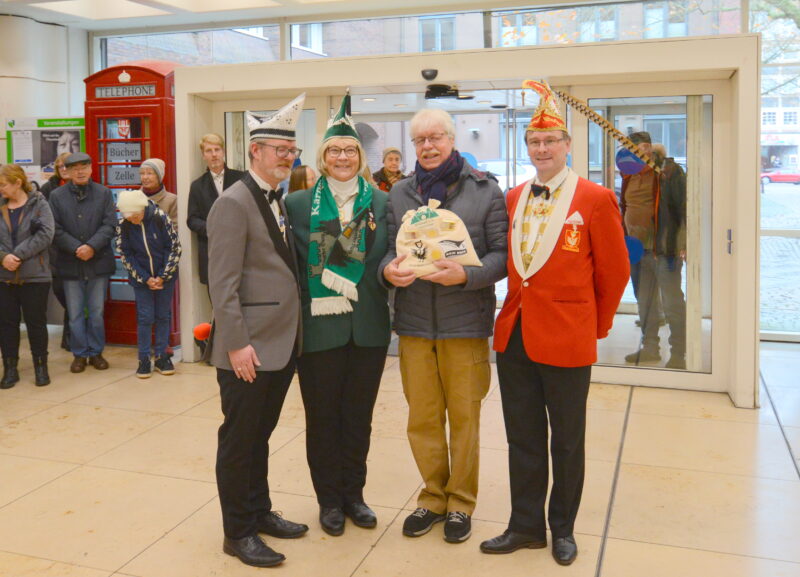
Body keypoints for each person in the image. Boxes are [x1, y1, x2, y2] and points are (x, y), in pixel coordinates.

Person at [480, 80, 629, 566]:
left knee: (566, 440)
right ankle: (525, 526)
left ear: (567, 145)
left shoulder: (595, 198)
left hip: (568, 336)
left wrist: (594, 327)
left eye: (549, 141)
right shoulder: (514, 196)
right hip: (515, 335)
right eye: (534, 142)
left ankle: (562, 528)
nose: (541, 149)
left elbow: (614, 272)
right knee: (521, 438)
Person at [380, 108, 508, 544]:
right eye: (420, 140)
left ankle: (461, 502)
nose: (428, 146)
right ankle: (433, 496)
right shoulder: (400, 193)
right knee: (423, 417)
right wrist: (388, 271)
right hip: (414, 324)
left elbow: (501, 256)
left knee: (465, 417)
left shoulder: (486, 190)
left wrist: (466, 276)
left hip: (465, 323)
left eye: (435, 137)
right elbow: (388, 251)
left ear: (452, 140)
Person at [206, 94, 309, 568]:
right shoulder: (233, 202)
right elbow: (222, 283)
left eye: (291, 150)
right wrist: (237, 345)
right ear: (255, 151)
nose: (287, 157)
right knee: (239, 441)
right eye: (279, 150)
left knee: (260, 436)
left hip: (279, 343)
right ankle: (238, 532)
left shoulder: (276, 198)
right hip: (248, 347)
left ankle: (260, 510)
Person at [285, 94, 390, 537]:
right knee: (323, 418)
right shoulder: (297, 204)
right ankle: (328, 500)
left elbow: (391, 258)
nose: (342, 157)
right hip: (318, 328)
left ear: (360, 157)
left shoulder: (382, 202)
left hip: (368, 328)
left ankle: (354, 496)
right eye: (334, 151)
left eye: (349, 150)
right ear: (322, 158)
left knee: (359, 419)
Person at [621, 131, 687, 369]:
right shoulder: (629, 174)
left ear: (649, 148)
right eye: (633, 148)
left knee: (672, 303)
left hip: (664, 249)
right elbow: (626, 206)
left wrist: (683, 243)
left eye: (643, 147)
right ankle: (650, 348)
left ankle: (679, 353)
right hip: (637, 249)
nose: (639, 152)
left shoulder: (668, 171)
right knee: (645, 302)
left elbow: (683, 207)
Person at [49, 152, 117, 374]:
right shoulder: (56, 196)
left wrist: (91, 247)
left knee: (96, 312)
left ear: (90, 169)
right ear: (67, 172)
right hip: (70, 263)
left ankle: (96, 352)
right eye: (74, 168)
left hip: (98, 262)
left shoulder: (104, 193)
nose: (80, 172)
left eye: (84, 167)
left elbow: (110, 224)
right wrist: (76, 248)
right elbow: (54, 228)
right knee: (75, 313)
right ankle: (79, 354)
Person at [115, 190, 181, 378]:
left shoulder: (160, 217)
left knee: (162, 315)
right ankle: (143, 359)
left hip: (165, 277)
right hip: (141, 279)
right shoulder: (124, 224)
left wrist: (162, 276)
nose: (133, 220)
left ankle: (162, 357)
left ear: (142, 209)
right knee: (145, 317)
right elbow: (126, 254)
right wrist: (145, 278)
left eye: (135, 216)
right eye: (129, 218)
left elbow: (174, 247)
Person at [0, 164, 55, 388]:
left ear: (18, 183)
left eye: (3, 184)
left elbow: (46, 234)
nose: (0, 189)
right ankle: (10, 369)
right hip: (4, 276)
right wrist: (3, 257)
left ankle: (41, 367)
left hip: (35, 276)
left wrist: (17, 255)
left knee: (36, 323)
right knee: (7, 324)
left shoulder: (39, 203)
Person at [187, 134, 245, 287]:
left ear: (223, 152)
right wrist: (213, 229)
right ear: (203, 155)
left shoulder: (242, 179)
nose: (214, 154)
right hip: (211, 252)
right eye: (209, 151)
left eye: (217, 149)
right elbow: (192, 220)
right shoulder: (197, 186)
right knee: (216, 299)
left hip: (240, 250)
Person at [39, 151, 72, 351]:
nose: (64, 169)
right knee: (62, 292)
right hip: (54, 250)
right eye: (60, 166)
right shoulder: (48, 188)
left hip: (76, 248)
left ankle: (70, 336)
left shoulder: (81, 186)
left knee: (76, 296)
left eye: (67, 165)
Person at [138, 158, 178, 222]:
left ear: (159, 177)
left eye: (149, 173)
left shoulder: (172, 200)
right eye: (142, 173)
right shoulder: (133, 198)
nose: (145, 177)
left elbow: (175, 225)